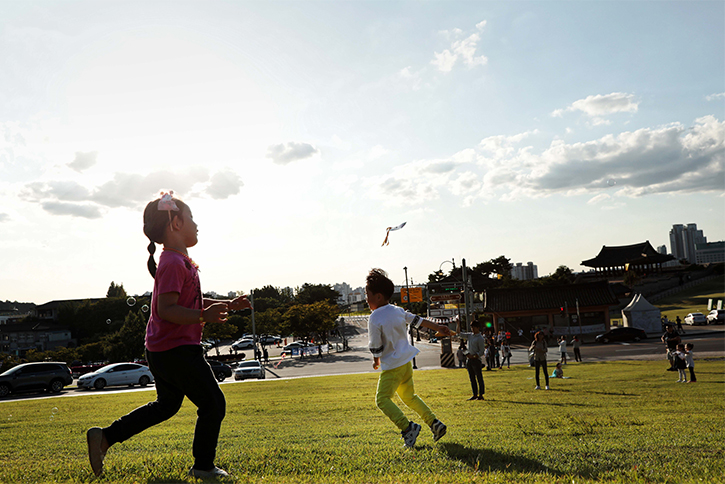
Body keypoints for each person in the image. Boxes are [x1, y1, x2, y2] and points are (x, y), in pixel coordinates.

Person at [85, 191, 251, 479]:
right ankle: (203, 467)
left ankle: (106, 437)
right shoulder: (173, 262)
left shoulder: (178, 261)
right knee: (213, 404)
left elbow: (189, 302)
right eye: (191, 218)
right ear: (176, 223)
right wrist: (203, 316)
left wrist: (226, 305)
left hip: (164, 350)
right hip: (177, 350)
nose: (196, 224)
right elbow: (167, 309)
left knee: (166, 406)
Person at [366, 268, 450, 448]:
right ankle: (434, 423)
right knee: (409, 397)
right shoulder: (397, 310)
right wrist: (438, 328)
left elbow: (375, 344)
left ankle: (407, 428)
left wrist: (376, 360)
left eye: (368, 295)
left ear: (378, 297)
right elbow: (418, 321)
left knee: (382, 400)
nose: (366, 299)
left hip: (392, 366)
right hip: (406, 364)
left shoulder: (374, 317)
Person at [465, 320, 486, 400]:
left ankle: (481, 394)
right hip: (469, 359)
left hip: (476, 360)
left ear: (478, 328)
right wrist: (458, 323)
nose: (472, 329)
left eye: (474, 327)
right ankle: (474, 394)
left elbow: (481, 351)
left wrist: (474, 356)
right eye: (471, 327)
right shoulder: (470, 336)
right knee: (472, 378)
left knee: (479, 378)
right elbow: (459, 334)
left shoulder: (480, 338)